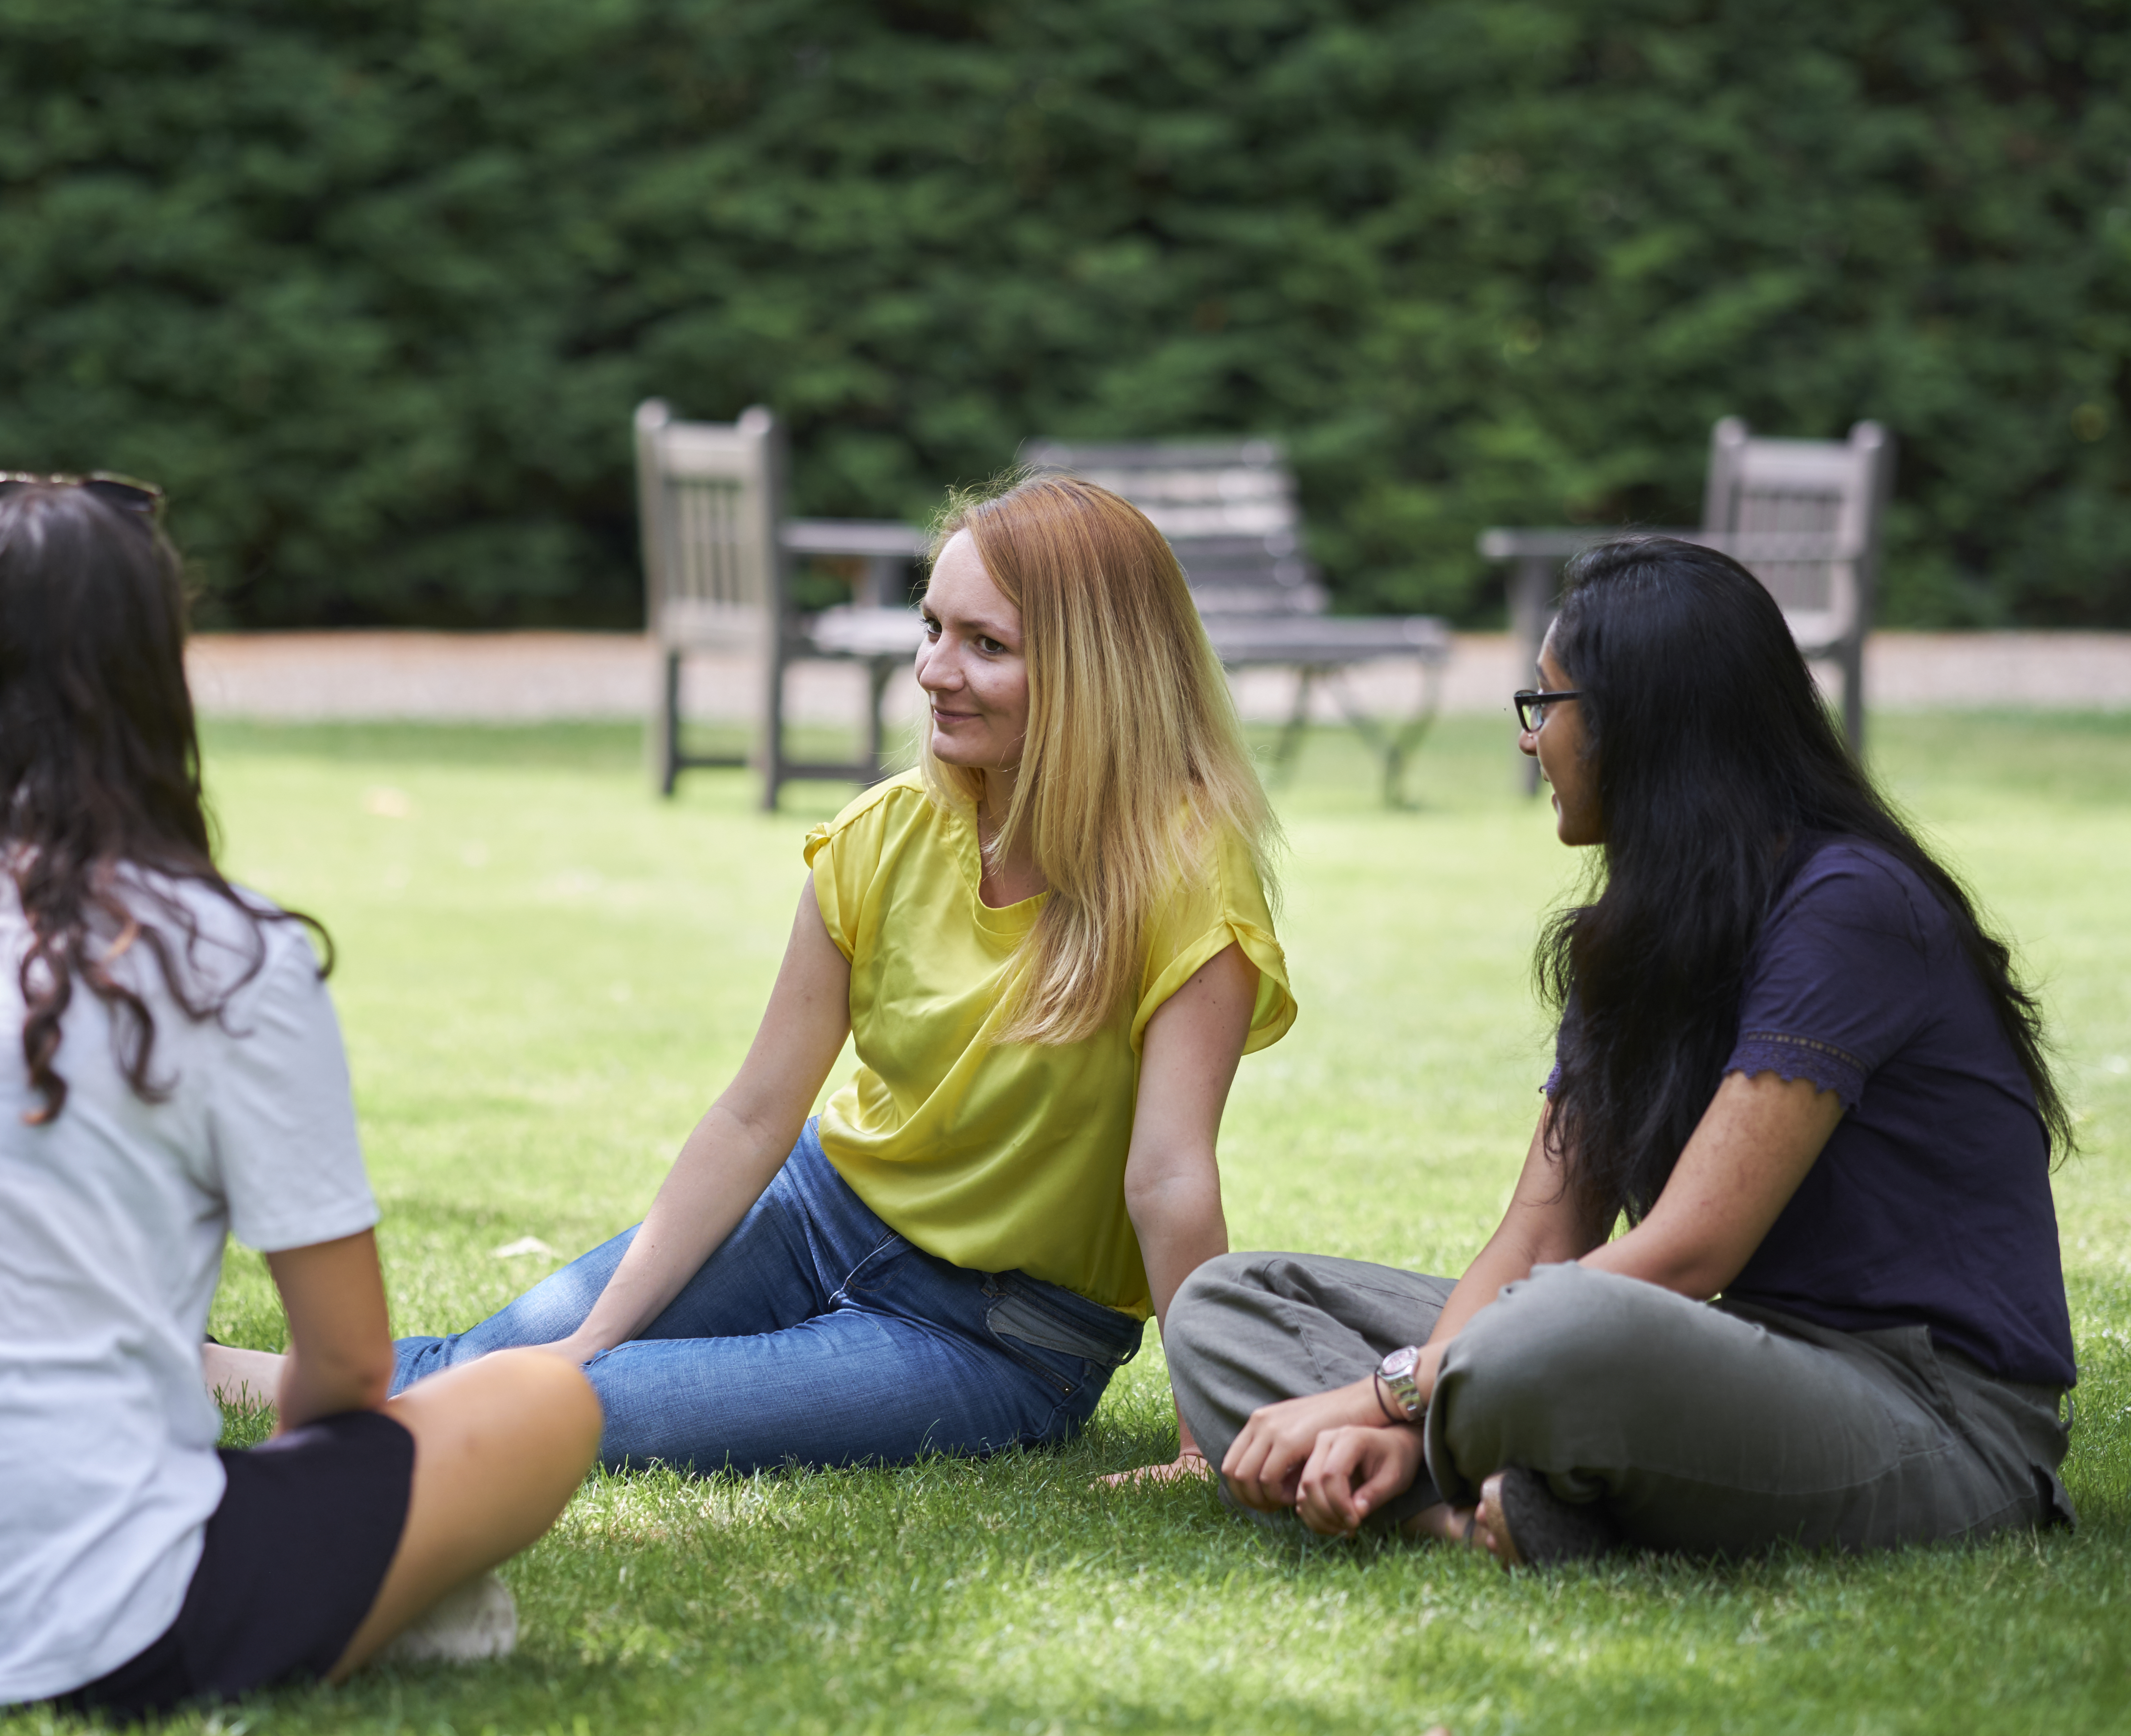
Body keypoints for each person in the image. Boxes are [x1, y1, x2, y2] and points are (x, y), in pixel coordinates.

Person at [0, 478, 600, 1718]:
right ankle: (366, 1600)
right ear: (161, 668)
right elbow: (350, 1362)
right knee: (540, 1396)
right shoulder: (220, 951)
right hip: (78, 1611)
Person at [356, 472, 1297, 1472]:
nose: (936, 670)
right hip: (819, 1206)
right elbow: (755, 1112)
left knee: (580, 1412)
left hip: (997, 1332)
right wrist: (590, 1333)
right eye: (931, 627)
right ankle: (192, 1375)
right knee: (504, 1362)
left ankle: (297, 1453)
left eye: (988, 645)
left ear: (1097, 673)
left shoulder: (1187, 868)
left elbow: (1165, 1172)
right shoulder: (880, 833)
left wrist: (1206, 1443)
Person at [1163, 536, 2076, 1565]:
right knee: (1226, 1305)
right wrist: (1427, 1385)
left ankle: (1450, 1475)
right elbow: (1537, 1240)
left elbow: (1689, 1251)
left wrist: (1384, 1394)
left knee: (1558, 1334)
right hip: (1717, 1357)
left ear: (1639, 725)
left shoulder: (1849, 906)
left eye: (1544, 703)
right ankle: (1478, 1513)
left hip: (1930, 1412)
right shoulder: (1635, 932)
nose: (1529, 739)